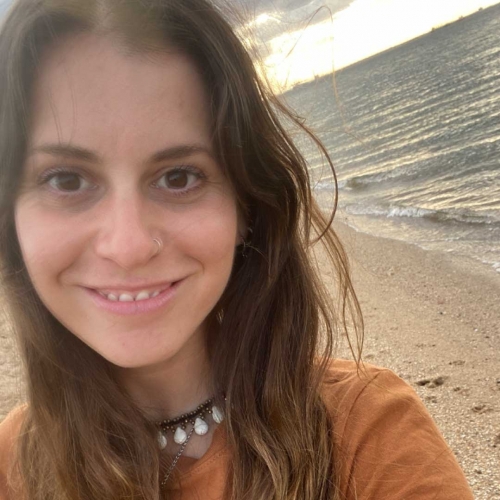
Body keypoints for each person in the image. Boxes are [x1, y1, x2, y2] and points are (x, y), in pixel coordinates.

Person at [0, 0, 474, 498]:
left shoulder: (368, 433)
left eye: (178, 177)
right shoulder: (11, 467)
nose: (129, 246)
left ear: (245, 207)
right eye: (66, 180)